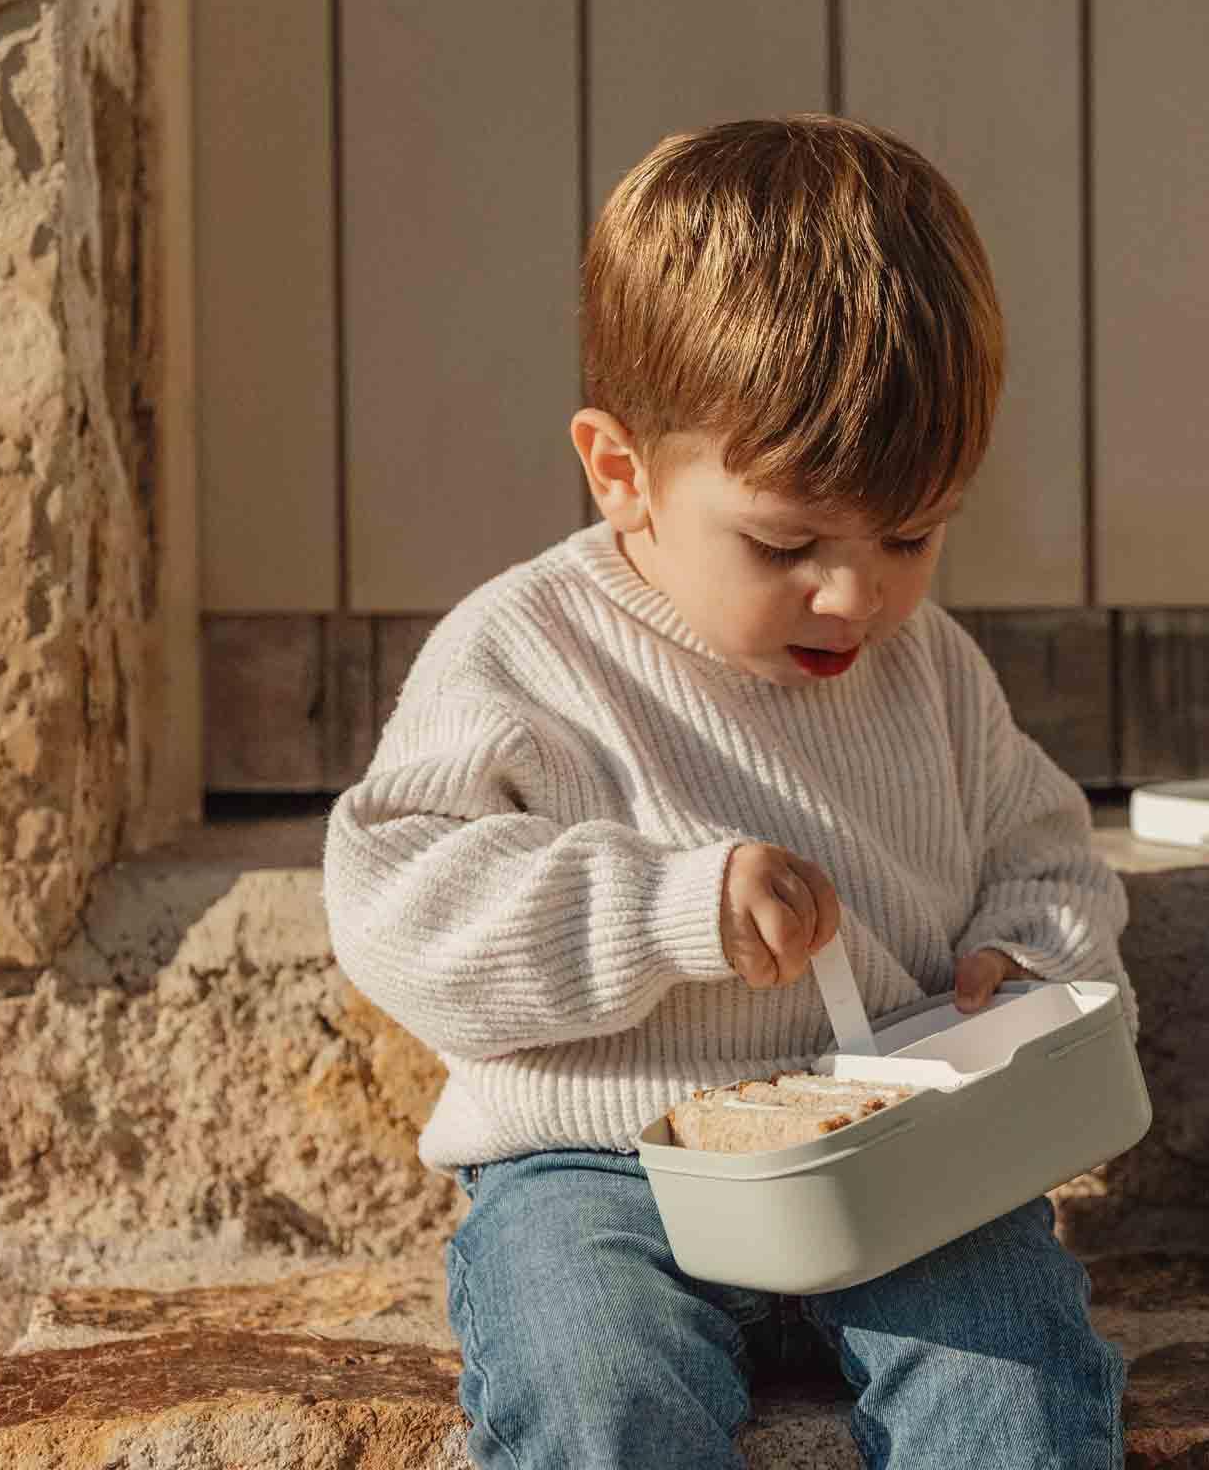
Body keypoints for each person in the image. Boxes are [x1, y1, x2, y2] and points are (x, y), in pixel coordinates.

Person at [323, 115, 1136, 1469]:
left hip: (898, 1160)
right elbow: (401, 908)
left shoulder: (926, 667)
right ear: (622, 472)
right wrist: (660, 907)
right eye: (786, 541)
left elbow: (1046, 848)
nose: (855, 592)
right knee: (597, 1396)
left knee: (1015, 1393)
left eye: (912, 533)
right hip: (604, 1165)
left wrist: (1029, 956)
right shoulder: (523, 650)